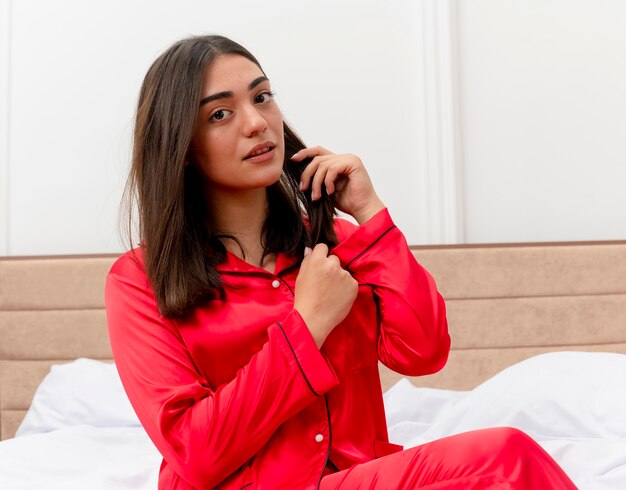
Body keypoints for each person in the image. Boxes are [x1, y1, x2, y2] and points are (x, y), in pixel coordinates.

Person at [105, 34, 577, 489]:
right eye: (221, 113)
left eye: (263, 97)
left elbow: (424, 351)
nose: (256, 123)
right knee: (503, 459)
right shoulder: (139, 282)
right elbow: (196, 452)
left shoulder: (338, 245)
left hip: (357, 477)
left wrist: (371, 217)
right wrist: (307, 325)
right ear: (181, 147)